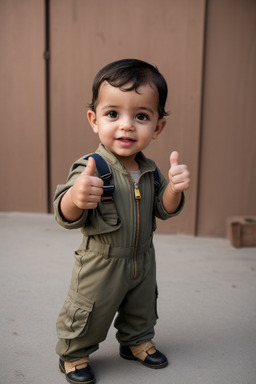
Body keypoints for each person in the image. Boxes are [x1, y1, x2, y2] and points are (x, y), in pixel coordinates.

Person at [54, 58, 190, 384]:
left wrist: (172, 188)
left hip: (142, 257)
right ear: (94, 119)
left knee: (141, 307)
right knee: (90, 310)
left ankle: (135, 341)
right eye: (113, 114)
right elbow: (65, 212)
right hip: (101, 261)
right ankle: (74, 354)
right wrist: (76, 197)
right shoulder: (91, 166)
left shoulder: (150, 170)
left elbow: (163, 209)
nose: (127, 125)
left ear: (157, 127)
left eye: (141, 116)